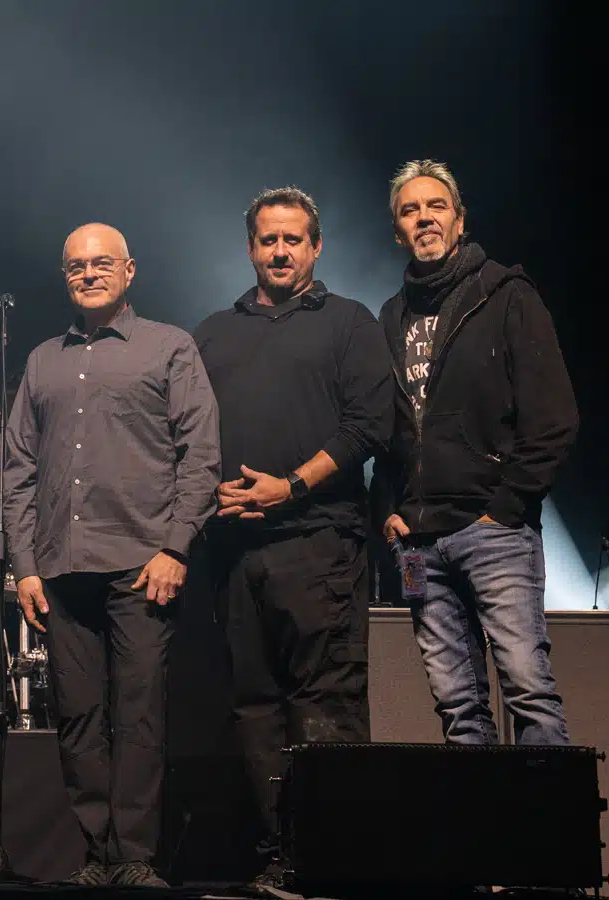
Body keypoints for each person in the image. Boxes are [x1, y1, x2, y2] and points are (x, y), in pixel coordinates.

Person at [4, 223, 220, 888]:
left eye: (101, 263)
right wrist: (25, 564)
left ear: (130, 271)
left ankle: (133, 858)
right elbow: (14, 468)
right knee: (77, 718)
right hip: (63, 569)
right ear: (64, 276)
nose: (89, 273)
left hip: (141, 565)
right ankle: (97, 856)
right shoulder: (41, 362)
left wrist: (176, 547)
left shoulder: (169, 348)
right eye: (76, 266)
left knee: (139, 716)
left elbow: (202, 455)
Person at [191, 187, 393, 889]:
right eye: (268, 239)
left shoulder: (348, 323)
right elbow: (182, 432)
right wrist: (208, 488)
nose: (280, 251)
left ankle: (333, 857)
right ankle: (280, 853)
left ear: (315, 246)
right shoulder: (213, 332)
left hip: (320, 543)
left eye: (293, 239)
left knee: (324, 703)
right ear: (250, 246)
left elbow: (371, 426)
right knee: (253, 705)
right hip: (232, 551)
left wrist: (292, 485)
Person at [375, 159, 578, 747]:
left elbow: (555, 418)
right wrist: (389, 508)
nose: (424, 218)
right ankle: (481, 836)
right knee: (456, 706)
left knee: (527, 689)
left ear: (459, 219)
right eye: (409, 211)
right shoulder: (391, 317)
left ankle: (548, 835)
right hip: (417, 544)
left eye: (435, 206)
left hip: (493, 531)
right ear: (398, 232)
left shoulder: (506, 294)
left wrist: (506, 507)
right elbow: (385, 431)